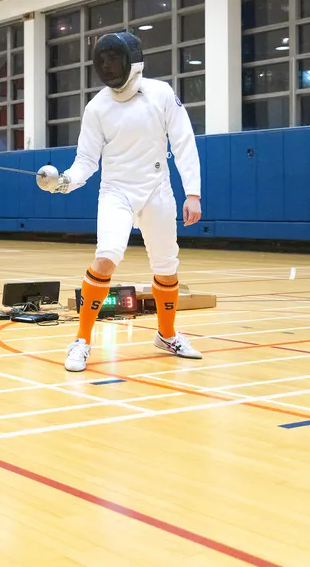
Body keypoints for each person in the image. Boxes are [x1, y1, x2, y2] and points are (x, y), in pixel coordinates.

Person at [36, 31, 203, 373]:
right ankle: (81, 340)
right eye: (104, 59)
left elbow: (184, 142)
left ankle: (167, 335)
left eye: (114, 58)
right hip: (117, 192)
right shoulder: (97, 107)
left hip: (157, 189)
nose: (109, 65)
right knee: (107, 257)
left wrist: (193, 193)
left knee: (167, 266)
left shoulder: (160, 94)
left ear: (132, 61)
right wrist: (66, 181)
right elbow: (86, 160)